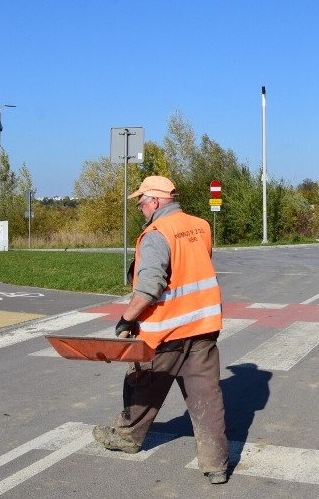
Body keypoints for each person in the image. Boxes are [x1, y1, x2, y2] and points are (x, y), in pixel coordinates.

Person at [92, 176, 229, 485]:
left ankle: (127, 436)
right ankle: (216, 465)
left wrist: (127, 318)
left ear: (155, 200)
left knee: (140, 382)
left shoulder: (157, 233)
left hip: (166, 332)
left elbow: (150, 285)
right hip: (203, 327)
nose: (140, 208)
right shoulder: (201, 225)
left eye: (141, 202)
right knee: (206, 397)